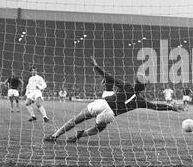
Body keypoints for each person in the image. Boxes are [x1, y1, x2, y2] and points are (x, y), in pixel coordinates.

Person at [43, 57, 182, 143]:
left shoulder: (127, 87)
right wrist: (171, 108)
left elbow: (109, 78)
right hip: (109, 114)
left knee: (76, 119)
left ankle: (55, 136)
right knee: (98, 129)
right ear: (143, 89)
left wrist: (96, 66)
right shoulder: (141, 101)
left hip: (102, 103)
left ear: (135, 83)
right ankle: (81, 134)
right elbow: (156, 106)